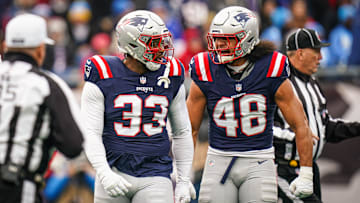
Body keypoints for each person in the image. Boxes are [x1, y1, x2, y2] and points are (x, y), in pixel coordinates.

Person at [186, 6, 315, 203]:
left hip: (259, 160)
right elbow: (189, 130)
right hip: (218, 159)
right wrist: (183, 175)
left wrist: (306, 173)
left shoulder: (271, 67)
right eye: (216, 38)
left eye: (226, 39)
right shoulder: (205, 68)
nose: (219, 44)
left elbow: (300, 124)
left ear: (247, 39)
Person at [81, 10, 196, 203]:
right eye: (154, 43)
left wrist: (184, 180)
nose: (161, 49)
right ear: (132, 45)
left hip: (155, 175)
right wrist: (103, 172)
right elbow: (90, 132)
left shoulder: (171, 73)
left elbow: (182, 131)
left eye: (162, 42)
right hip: (113, 173)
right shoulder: (103, 73)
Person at [0, 13, 84, 203]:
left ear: (5, 46)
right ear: (40, 50)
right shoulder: (47, 84)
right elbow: (73, 144)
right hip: (16, 185)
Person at [274, 27, 360, 203]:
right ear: (300, 53)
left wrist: (356, 128)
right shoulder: (278, 83)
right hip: (285, 169)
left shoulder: (313, 84)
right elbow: (263, 127)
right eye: (316, 51)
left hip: (309, 169)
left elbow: (325, 127)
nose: (321, 58)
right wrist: (296, 135)